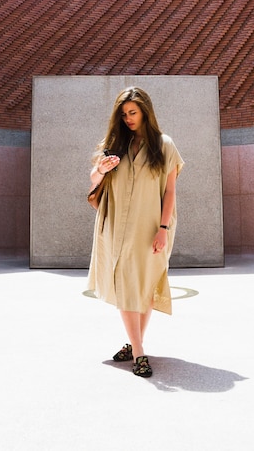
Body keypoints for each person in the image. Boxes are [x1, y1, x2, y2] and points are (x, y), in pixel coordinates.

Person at [87, 86, 184, 378]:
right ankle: (139, 353)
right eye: (124, 114)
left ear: (145, 112)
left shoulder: (164, 145)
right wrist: (102, 170)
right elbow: (94, 179)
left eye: (133, 112)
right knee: (127, 284)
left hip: (151, 226)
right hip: (117, 225)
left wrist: (163, 229)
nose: (128, 118)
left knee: (144, 285)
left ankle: (133, 343)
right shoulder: (115, 143)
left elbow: (169, 192)